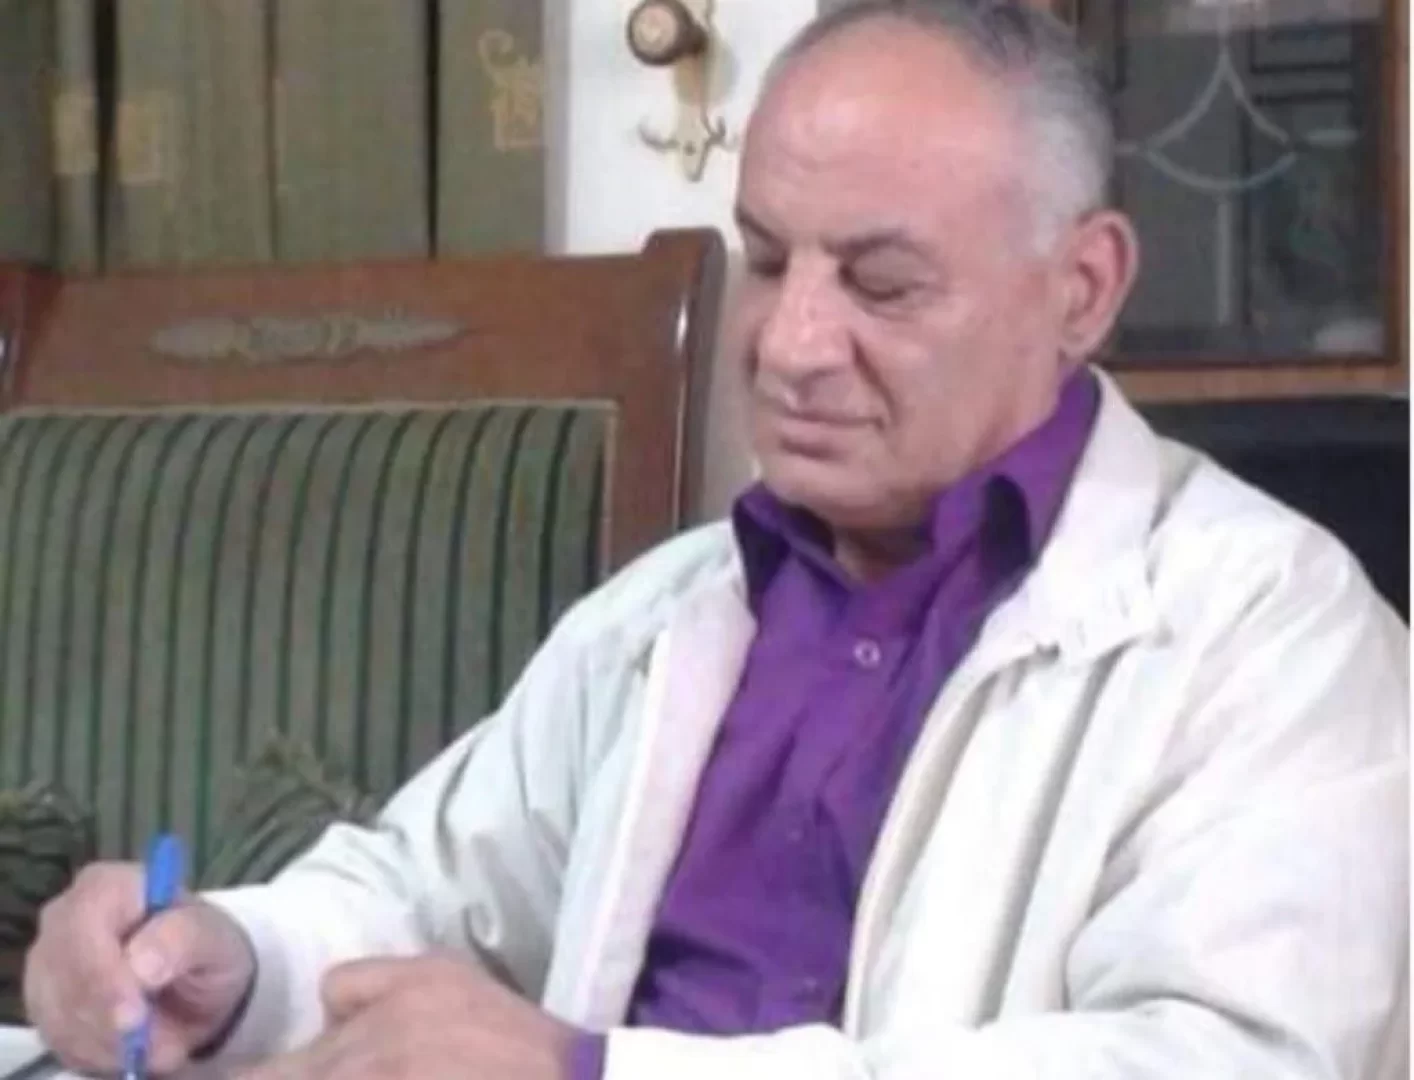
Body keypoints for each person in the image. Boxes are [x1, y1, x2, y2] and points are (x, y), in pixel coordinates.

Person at [25, 2, 1409, 1079]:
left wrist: (591, 1070)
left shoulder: (1273, 632)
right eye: (768, 257)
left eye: (880, 284)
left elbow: (1230, 1059)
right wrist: (226, 961)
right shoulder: (676, 606)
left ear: (1083, 288)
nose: (791, 344)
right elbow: (427, 889)